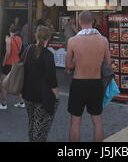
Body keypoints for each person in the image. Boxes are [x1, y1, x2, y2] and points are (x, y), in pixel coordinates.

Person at [65, 10, 111, 142]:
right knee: (97, 121)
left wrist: (78, 61)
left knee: (75, 122)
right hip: (96, 83)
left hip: (78, 83)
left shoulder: (73, 41)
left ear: (80, 22)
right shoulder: (103, 40)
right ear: (93, 21)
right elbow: (108, 63)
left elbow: (69, 65)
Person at [21, 26, 59, 142]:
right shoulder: (48, 55)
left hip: (28, 93)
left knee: (31, 122)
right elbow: (52, 79)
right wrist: (56, 95)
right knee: (41, 127)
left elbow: (21, 68)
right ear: (49, 38)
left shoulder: (27, 50)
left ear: (35, 36)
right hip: (43, 96)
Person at [0, 25, 23, 110]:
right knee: (16, 83)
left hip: (9, 63)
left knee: (4, 84)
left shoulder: (8, 39)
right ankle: (22, 102)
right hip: (17, 62)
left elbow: (8, 52)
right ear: (17, 31)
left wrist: (3, 62)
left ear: (10, 31)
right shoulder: (19, 39)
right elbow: (20, 50)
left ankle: (3, 104)